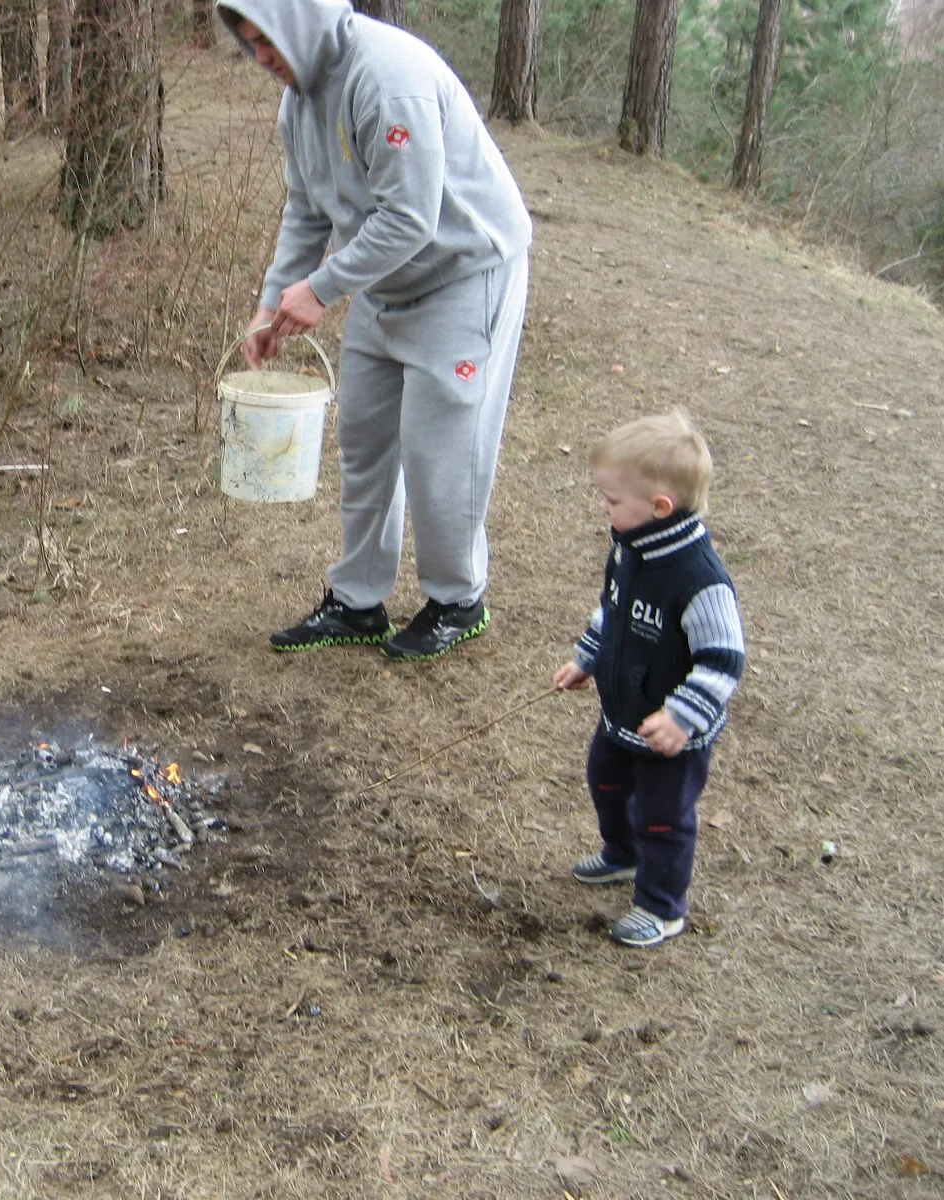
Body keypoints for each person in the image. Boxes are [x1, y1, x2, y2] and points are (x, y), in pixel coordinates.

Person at [218, 0, 532, 661]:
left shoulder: (389, 79)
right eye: (251, 46)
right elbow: (307, 210)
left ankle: (457, 597)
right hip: (385, 285)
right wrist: (272, 304)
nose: (262, 59)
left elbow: (411, 217)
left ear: (300, 21)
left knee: (438, 449)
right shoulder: (298, 101)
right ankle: (357, 601)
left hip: (462, 274)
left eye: (267, 41)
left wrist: (324, 288)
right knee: (364, 439)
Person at [552, 411, 746, 948]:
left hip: (671, 737)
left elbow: (723, 658)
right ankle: (622, 854)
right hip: (622, 714)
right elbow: (610, 611)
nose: (604, 507)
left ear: (660, 507)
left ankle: (662, 905)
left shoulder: (698, 579)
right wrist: (587, 658)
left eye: (612, 501)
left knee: (664, 817)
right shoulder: (630, 549)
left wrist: (682, 716)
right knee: (605, 781)